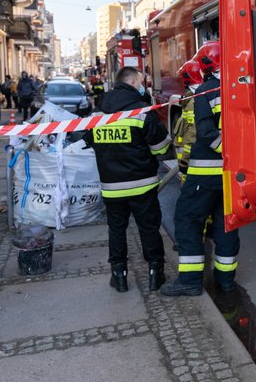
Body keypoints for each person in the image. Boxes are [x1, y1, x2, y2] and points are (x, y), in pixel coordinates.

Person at [162, 41, 240, 297]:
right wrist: (235, 157)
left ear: (206, 65)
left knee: (187, 222)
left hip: (204, 176)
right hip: (232, 176)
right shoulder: (240, 86)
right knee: (226, 226)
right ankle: (226, 281)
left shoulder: (205, 91)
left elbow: (206, 132)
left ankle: (190, 281)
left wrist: (223, 152)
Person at [86, 66, 172, 293]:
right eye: (141, 81)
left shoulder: (97, 113)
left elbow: (88, 140)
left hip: (111, 186)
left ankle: (119, 276)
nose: (143, 85)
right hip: (142, 184)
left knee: (116, 229)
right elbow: (161, 148)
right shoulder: (142, 111)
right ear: (133, 82)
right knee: (149, 229)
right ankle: (156, 275)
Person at [171, 60, 202, 182]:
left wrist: (184, 161)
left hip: (188, 162)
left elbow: (191, 135)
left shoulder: (192, 101)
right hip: (187, 161)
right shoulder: (191, 98)